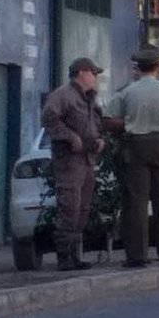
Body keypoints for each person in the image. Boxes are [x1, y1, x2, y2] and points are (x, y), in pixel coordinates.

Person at [103, 46, 159, 268]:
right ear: (158, 67)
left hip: (136, 145)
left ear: (138, 67)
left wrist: (129, 122)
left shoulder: (127, 92)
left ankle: (137, 256)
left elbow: (108, 120)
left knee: (136, 202)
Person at [40, 57, 105, 271]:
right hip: (69, 160)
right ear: (81, 73)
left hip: (87, 158)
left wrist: (99, 139)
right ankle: (64, 256)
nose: (95, 78)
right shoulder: (63, 95)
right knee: (69, 207)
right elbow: (49, 118)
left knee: (83, 209)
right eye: (93, 73)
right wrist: (69, 137)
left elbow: (97, 122)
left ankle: (76, 255)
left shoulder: (90, 98)